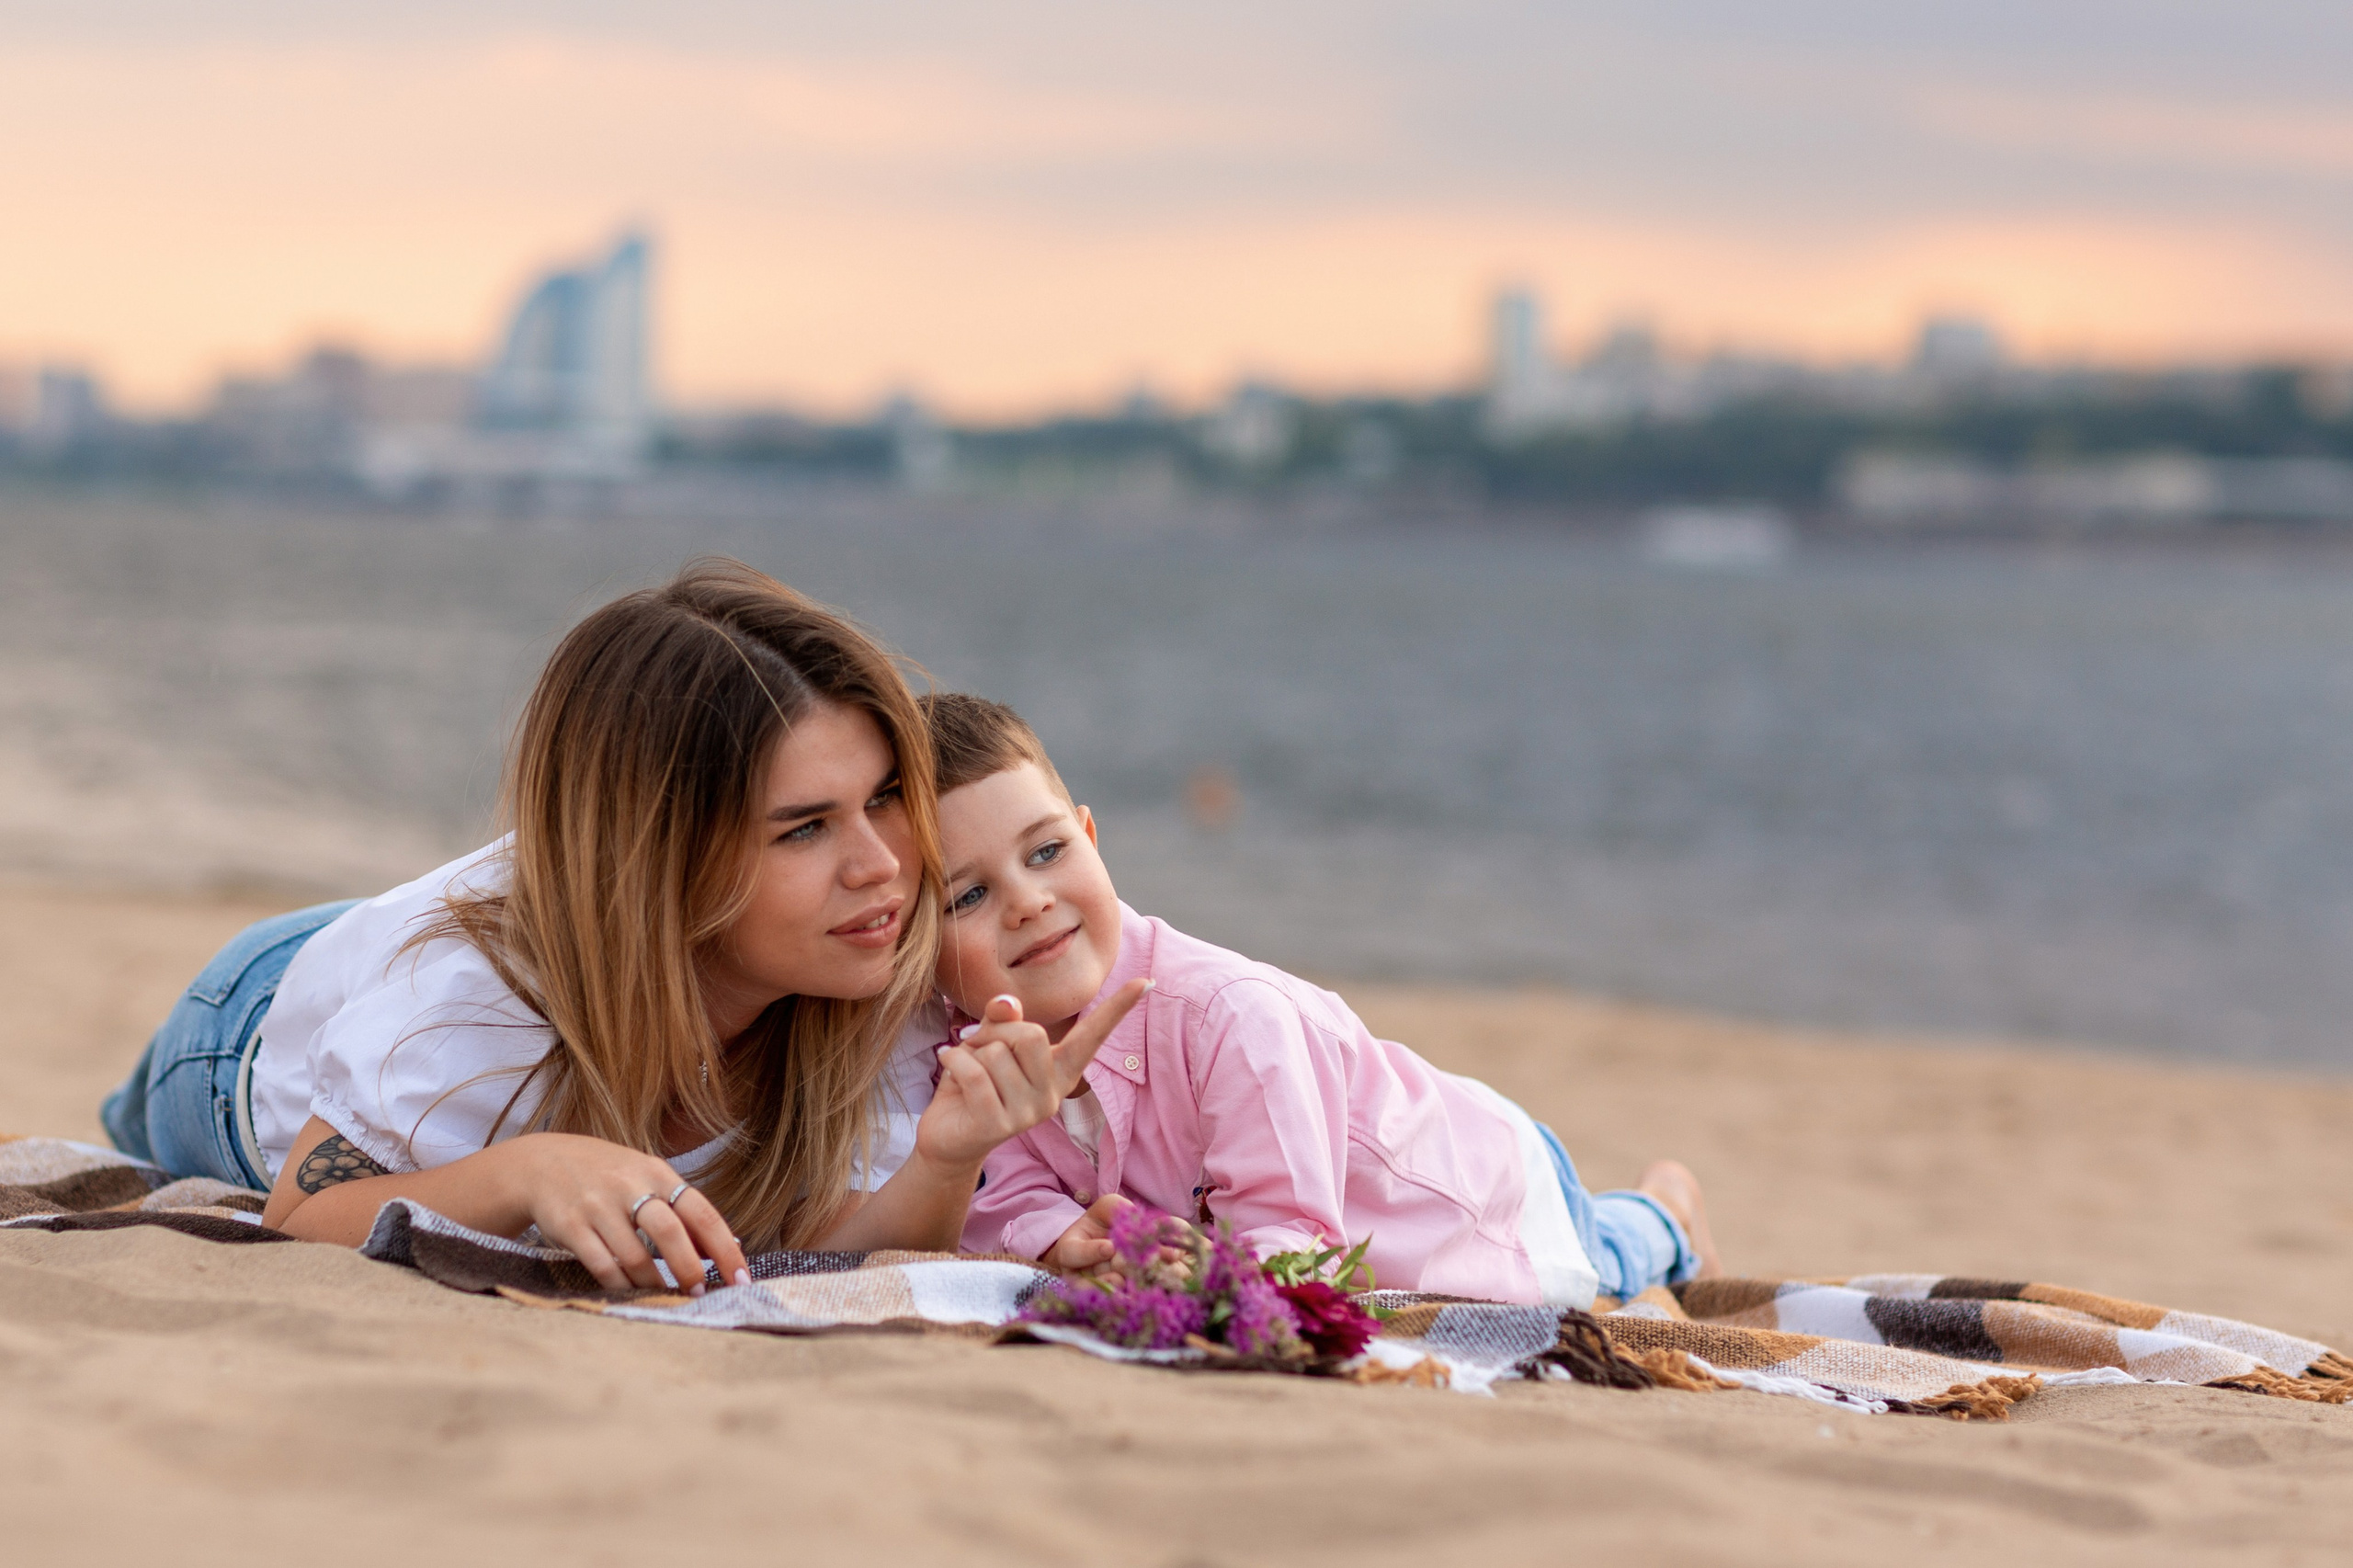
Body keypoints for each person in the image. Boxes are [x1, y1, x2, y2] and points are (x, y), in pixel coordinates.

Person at [101, 561, 1142, 1293]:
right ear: (667, 859)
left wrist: (946, 1160)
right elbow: (302, 1213)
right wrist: (530, 1169)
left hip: (439, 945)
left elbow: (847, 1242)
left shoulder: (872, 950)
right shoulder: (483, 993)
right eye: (804, 828)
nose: (879, 864)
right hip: (245, 1029)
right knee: (135, 1120)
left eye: (880, 798)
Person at [921, 692, 1720, 1308]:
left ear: (1092, 839)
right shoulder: (975, 1053)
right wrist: (1062, 1238)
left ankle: (1668, 1211)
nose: (1027, 902)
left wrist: (1213, 1276)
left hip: (1472, 1193)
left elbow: (1292, 1236)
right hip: (1397, 1161)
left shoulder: (1230, 1017)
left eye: (1048, 852)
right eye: (969, 897)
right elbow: (1002, 1192)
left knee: (1600, 1264)